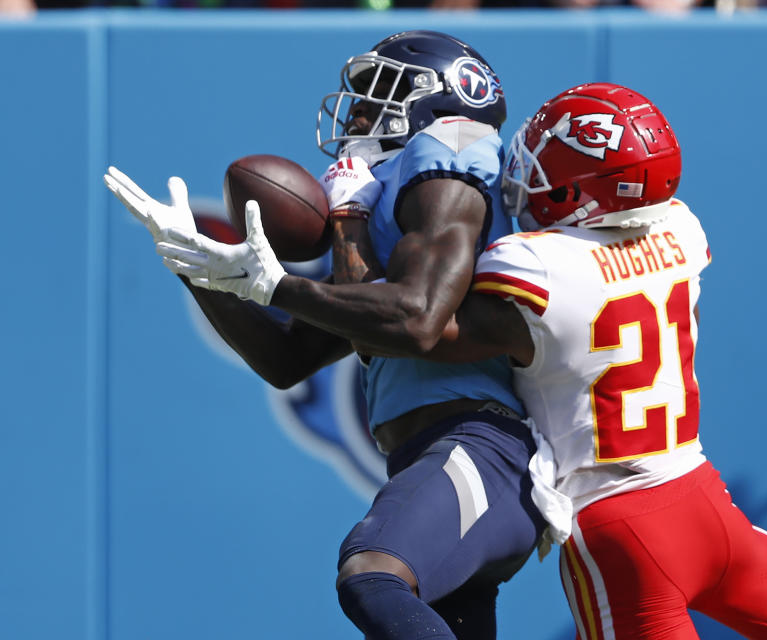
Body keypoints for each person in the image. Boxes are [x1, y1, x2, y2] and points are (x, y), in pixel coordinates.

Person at [412, 82, 767, 640]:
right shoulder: (681, 229)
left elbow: (421, 325)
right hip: (704, 500)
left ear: (581, 190)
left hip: (619, 526)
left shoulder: (537, 266)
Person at [104, 30, 546, 640]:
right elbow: (288, 356)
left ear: (447, 102)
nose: (360, 111)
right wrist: (196, 267)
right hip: (436, 453)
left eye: (379, 93)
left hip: (481, 445)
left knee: (373, 573)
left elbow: (415, 319)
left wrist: (282, 277)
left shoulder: (452, 151)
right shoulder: (389, 198)